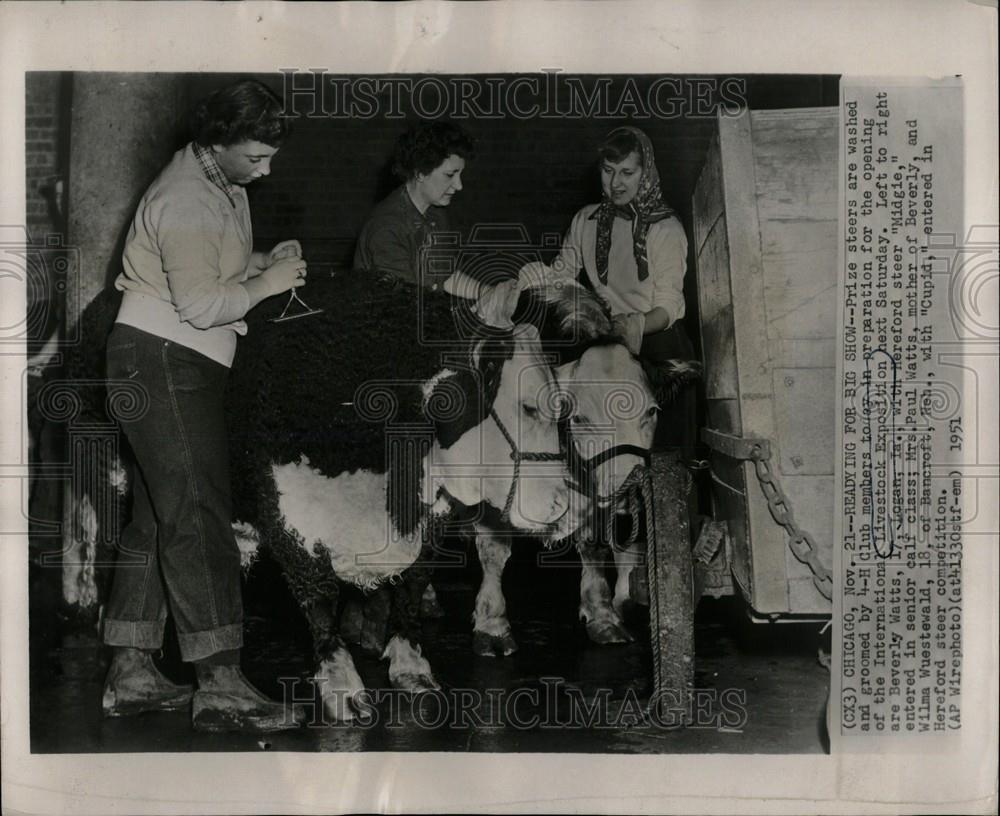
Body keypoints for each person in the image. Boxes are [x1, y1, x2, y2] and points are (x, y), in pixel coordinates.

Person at [101, 80, 310, 732]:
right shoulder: (187, 194)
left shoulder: (215, 181)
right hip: (168, 360)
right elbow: (198, 304)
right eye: (256, 155)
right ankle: (220, 683)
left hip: (161, 358)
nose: (266, 169)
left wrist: (257, 260)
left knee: (160, 518)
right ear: (216, 141)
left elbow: (199, 269)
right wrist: (268, 284)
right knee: (198, 514)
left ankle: (131, 670)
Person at [521, 125, 696, 456]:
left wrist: (634, 325)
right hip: (606, 345)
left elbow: (669, 305)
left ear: (645, 173)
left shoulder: (666, 228)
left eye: (627, 172)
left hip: (656, 341)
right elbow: (562, 275)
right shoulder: (585, 220)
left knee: (664, 458)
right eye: (608, 170)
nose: (616, 183)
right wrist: (526, 281)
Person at [353, 121, 474, 287]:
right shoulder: (387, 228)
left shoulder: (435, 214)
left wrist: (489, 293)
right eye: (449, 175)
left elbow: (446, 278)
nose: (459, 185)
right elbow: (408, 303)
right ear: (420, 173)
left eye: (460, 174)